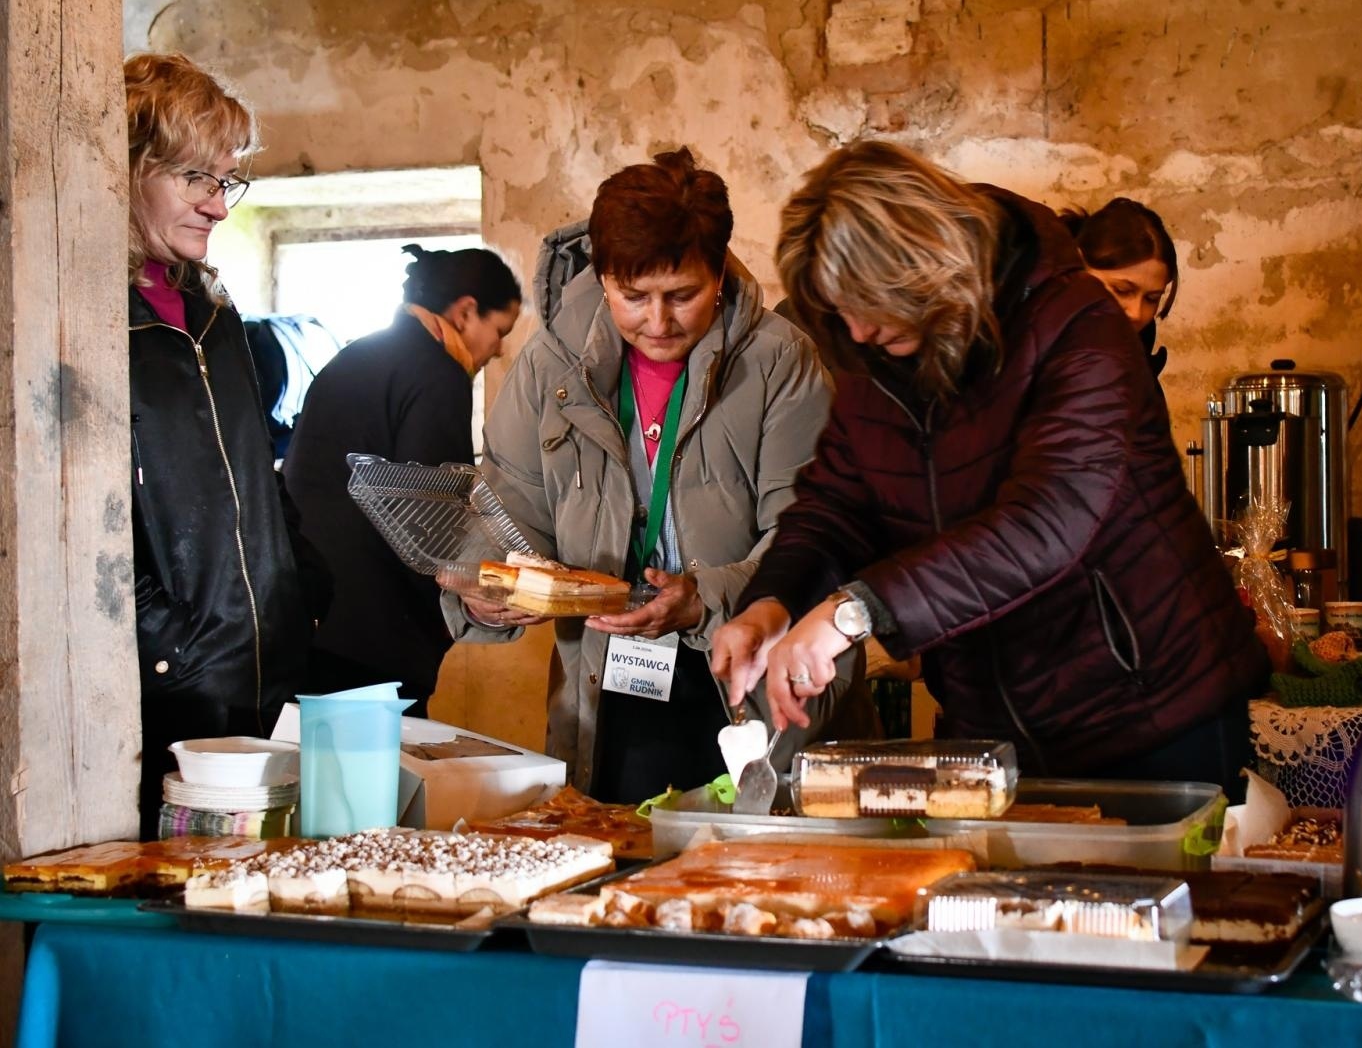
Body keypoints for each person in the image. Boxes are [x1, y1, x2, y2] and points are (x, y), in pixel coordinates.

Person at [711, 141, 1266, 798]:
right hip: (997, 735)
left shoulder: (1079, 328)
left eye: (867, 302)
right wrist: (771, 603)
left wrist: (849, 615)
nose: (856, 332)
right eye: (840, 308)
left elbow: (1046, 522)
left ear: (927, 264)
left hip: (1154, 720)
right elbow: (836, 502)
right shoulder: (882, 356)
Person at [444, 147, 877, 803]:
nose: (657, 321)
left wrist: (704, 597)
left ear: (721, 275)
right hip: (606, 687)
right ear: (603, 275)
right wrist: (489, 580)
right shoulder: (549, 366)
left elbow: (812, 537)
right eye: (632, 296)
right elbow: (508, 506)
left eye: (682, 295)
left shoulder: (779, 363)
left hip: (746, 686)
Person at [126, 53, 325, 838]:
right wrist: (171, 645)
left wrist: (298, 589)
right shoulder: (89, 317)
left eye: (226, 183)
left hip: (264, 682)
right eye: (195, 180)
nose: (218, 206)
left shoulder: (213, 313)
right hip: (168, 693)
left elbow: (256, 476)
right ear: (129, 168)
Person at [283, 245, 523, 713]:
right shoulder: (436, 372)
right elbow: (432, 518)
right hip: (374, 630)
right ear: (465, 311)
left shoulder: (361, 354)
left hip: (312, 615)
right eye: (500, 331)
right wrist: (482, 585)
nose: (498, 349)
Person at [1061, 197, 1178, 380]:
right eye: (1121, 290)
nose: (1136, 313)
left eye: (1152, 298)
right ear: (1077, 266)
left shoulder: (1139, 360)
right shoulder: (1031, 345)